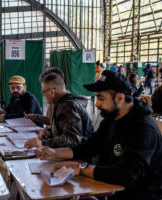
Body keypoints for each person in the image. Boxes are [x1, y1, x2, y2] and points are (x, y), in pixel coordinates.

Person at [36, 70, 162, 200]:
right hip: (107, 190)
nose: (96, 104)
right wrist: (54, 153)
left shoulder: (144, 129)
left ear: (120, 98)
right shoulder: (111, 119)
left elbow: (126, 175)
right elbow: (90, 147)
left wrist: (82, 168)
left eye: (101, 97)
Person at [25, 71, 94, 149]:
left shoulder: (68, 106)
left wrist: (43, 143)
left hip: (84, 157)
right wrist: (50, 132)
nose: (43, 95)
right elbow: (65, 128)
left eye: (43, 92)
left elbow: (72, 139)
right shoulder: (62, 102)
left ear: (51, 92)